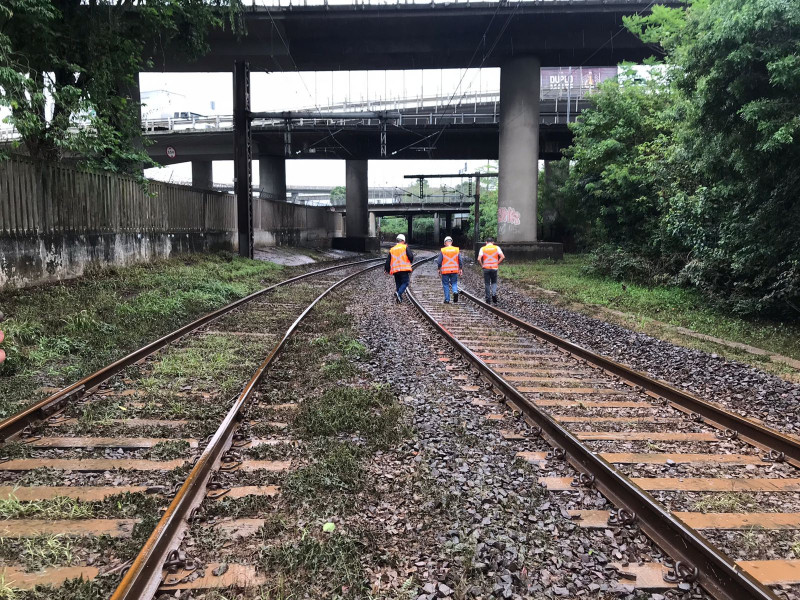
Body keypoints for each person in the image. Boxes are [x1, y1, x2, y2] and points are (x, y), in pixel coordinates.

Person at [385, 234, 414, 303]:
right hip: (403, 269)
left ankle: (399, 299)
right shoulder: (405, 247)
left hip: (395, 270)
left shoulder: (392, 249)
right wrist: (410, 261)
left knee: (398, 283)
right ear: (403, 241)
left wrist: (387, 269)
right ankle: (399, 293)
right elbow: (411, 256)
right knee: (406, 282)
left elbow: (388, 260)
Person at [477, 236, 505, 304]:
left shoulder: (482, 248)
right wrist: (497, 263)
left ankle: (488, 298)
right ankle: (494, 294)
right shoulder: (496, 247)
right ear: (493, 242)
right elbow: (503, 257)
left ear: (486, 242)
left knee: (487, 283)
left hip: (486, 268)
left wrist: (482, 265)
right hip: (494, 268)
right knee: (494, 282)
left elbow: (478, 259)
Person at [437, 236, 462, 304]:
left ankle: (447, 299)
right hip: (454, 270)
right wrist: (460, 268)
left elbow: (439, 261)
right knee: (454, 283)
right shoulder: (456, 250)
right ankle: (455, 292)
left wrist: (439, 269)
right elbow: (460, 260)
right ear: (451, 242)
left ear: (445, 243)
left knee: (446, 284)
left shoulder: (443, 250)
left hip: (445, 271)